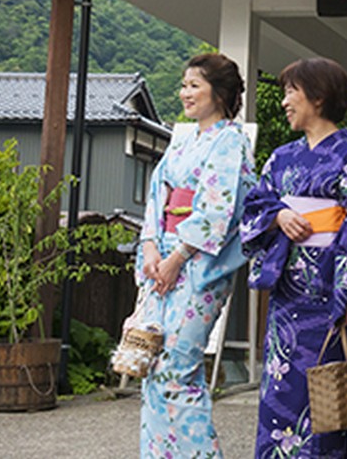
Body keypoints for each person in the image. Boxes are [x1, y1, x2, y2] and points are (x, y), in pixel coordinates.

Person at [241, 57, 347, 458]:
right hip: (288, 299)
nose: (284, 102)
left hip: (333, 298)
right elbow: (255, 205)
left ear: (319, 96)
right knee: (279, 393)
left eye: (291, 92)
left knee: (326, 403)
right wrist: (278, 215)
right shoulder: (280, 158)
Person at [133, 53, 255, 458]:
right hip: (162, 260)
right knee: (151, 365)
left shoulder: (230, 141)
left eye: (194, 86)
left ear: (219, 93)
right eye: (184, 85)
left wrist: (177, 255)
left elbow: (219, 210)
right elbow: (157, 197)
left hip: (197, 265)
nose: (184, 93)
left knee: (178, 370)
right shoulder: (185, 140)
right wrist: (151, 246)